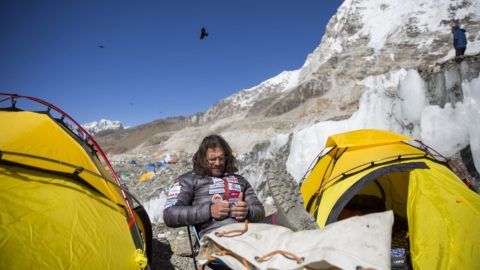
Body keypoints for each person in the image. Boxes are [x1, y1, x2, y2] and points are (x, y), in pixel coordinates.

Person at [163, 134, 265, 236]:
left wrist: (247, 211)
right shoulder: (188, 180)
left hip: (248, 233)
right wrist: (209, 210)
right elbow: (169, 214)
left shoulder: (240, 180)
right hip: (216, 238)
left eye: (221, 158)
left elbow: (260, 210)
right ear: (202, 158)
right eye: (212, 159)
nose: (218, 163)